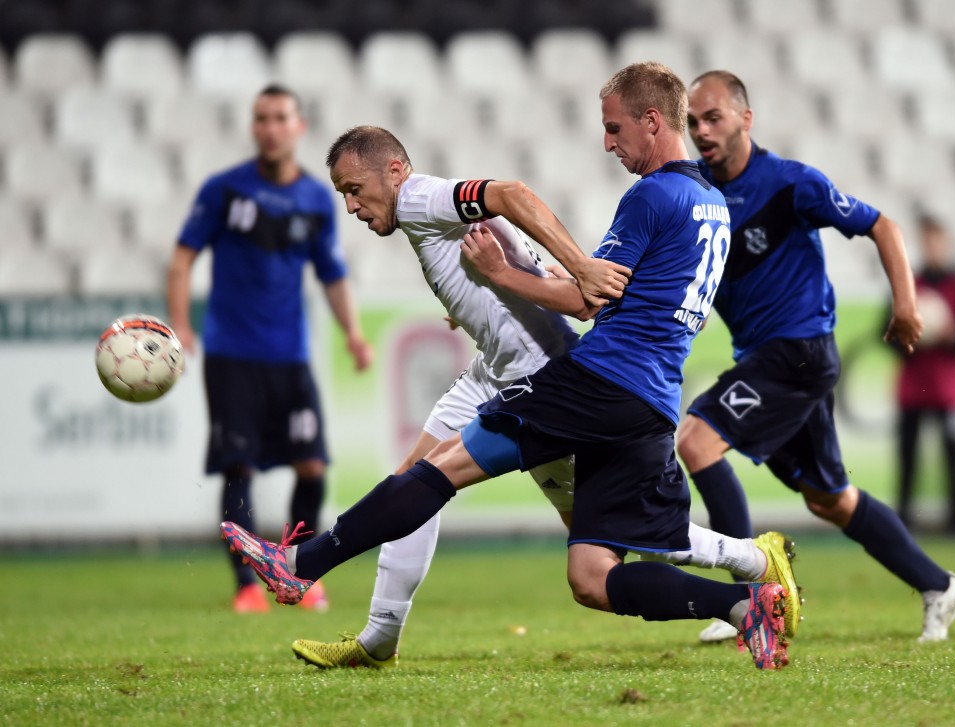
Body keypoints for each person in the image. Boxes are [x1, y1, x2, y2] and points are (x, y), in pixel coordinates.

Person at [222, 62, 795, 670]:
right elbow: (646, 293)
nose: (608, 143)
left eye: (613, 128)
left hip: (589, 381)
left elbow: (578, 282)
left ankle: (301, 565)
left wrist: (515, 274)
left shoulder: (645, 194)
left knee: (438, 473)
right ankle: (746, 604)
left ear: (651, 121)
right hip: (646, 396)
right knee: (591, 573)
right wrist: (506, 288)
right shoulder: (712, 202)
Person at [673, 70, 955, 644]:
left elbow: (883, 225)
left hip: (798, 352)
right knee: (830, 499)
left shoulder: (790, 183)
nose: (702, 131)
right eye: (692, 122)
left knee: (696, 441)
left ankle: (750, 604)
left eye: (713, 118)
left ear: (745, 119)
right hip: (771, 358)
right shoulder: (696, 192)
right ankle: (939, 585)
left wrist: (906, 304)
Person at [166, 84, 374, 613]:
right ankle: (245, 586)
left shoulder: (315, 199)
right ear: (253, 127)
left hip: (290, 357)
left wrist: (353, 333)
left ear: (299, 126)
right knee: (240, 469)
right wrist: (180, 325)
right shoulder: (224, 190)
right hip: (231, 355)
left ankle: (298, 572)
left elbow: (332, 274)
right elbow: (182, 258)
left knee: (312, 466)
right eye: (262, 118)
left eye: (281, 117)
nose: (271, 127)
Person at [890, 214, 955, 534]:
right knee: (908, 458)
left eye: (937, 242)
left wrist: (954, 336)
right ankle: (902, 522)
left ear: (945, 244)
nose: (932, 248)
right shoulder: (907, 282)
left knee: (953, 456)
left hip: (949, 389)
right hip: (913, 388)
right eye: (927, 242)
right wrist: (911, 337)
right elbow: (885, 333)